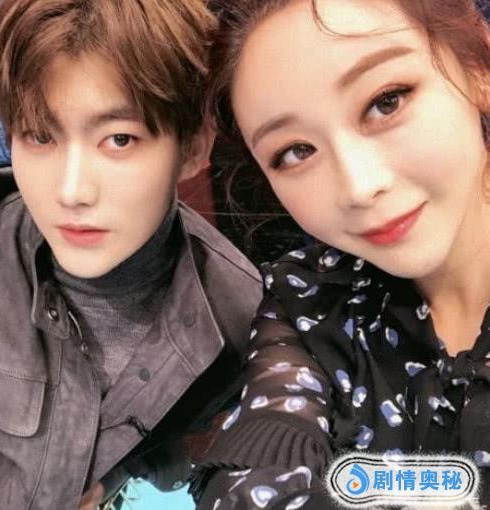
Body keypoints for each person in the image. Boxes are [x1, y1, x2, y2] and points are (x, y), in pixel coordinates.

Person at [0, 1, 263, 509]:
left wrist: (114, 475)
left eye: (119, 139)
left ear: (193, 148)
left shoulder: (235, 312)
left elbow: (188, 456)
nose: (71, 191)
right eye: (40, 135)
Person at [193, 0, 490, 508]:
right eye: (295, 152)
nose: (359, 186)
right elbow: (253, 480)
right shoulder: (310, 298)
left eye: (386, 102)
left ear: (479, 68)